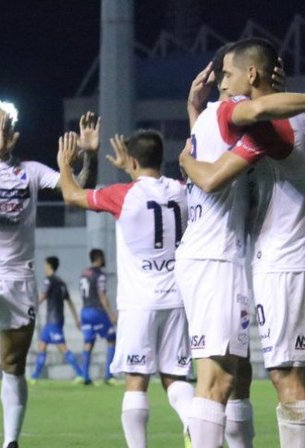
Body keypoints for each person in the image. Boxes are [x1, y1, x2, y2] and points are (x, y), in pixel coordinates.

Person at [176, 41, 305, 448]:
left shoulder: (267, 125)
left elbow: (221, 159)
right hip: (257, 255)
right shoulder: (265, 118)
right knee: (250, 376)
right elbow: (244, 121)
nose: (226, 86)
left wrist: (186, 155)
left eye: (230, 77)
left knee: (277, 374)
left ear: (251, 75)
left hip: (281, 257)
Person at [0, 99, 91, 448]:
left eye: (6, 123)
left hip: (18, 277)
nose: (1, 129)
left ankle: (11, 442)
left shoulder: (32, 170)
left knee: (14, 364)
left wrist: (87, 155)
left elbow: (76, 190)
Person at [57, 121, 195, 448]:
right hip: (178, 299)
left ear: (131, 161)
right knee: (175, 378)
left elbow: (71, 194)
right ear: (160, 159)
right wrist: (132, 170)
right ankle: (199, 430)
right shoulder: (182, 189)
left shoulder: (122, 195)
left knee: (136, 382)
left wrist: (66, 165)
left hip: (139, 302)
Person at [30, 256, 83, 383]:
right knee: (42, 346)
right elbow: (69, 302)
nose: (44, 267)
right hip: (54, 320)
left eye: (45, 265)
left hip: (53, 320)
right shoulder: (61, 282)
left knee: (62, 348)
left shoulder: (49, 281)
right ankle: (34, 377)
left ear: (49, 266)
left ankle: (81, 374)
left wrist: (31, 307)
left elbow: (43, 295)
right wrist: (76, 319)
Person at [78, 248, 117, 385]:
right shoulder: (100, 275)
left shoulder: (84, 273)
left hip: (85, 311)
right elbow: (102, 295)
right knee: (112, 339)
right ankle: (108, 375)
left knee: (88, 342)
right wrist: (111, 314)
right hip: (97, 311)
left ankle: (85, 376)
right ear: (99, 258)